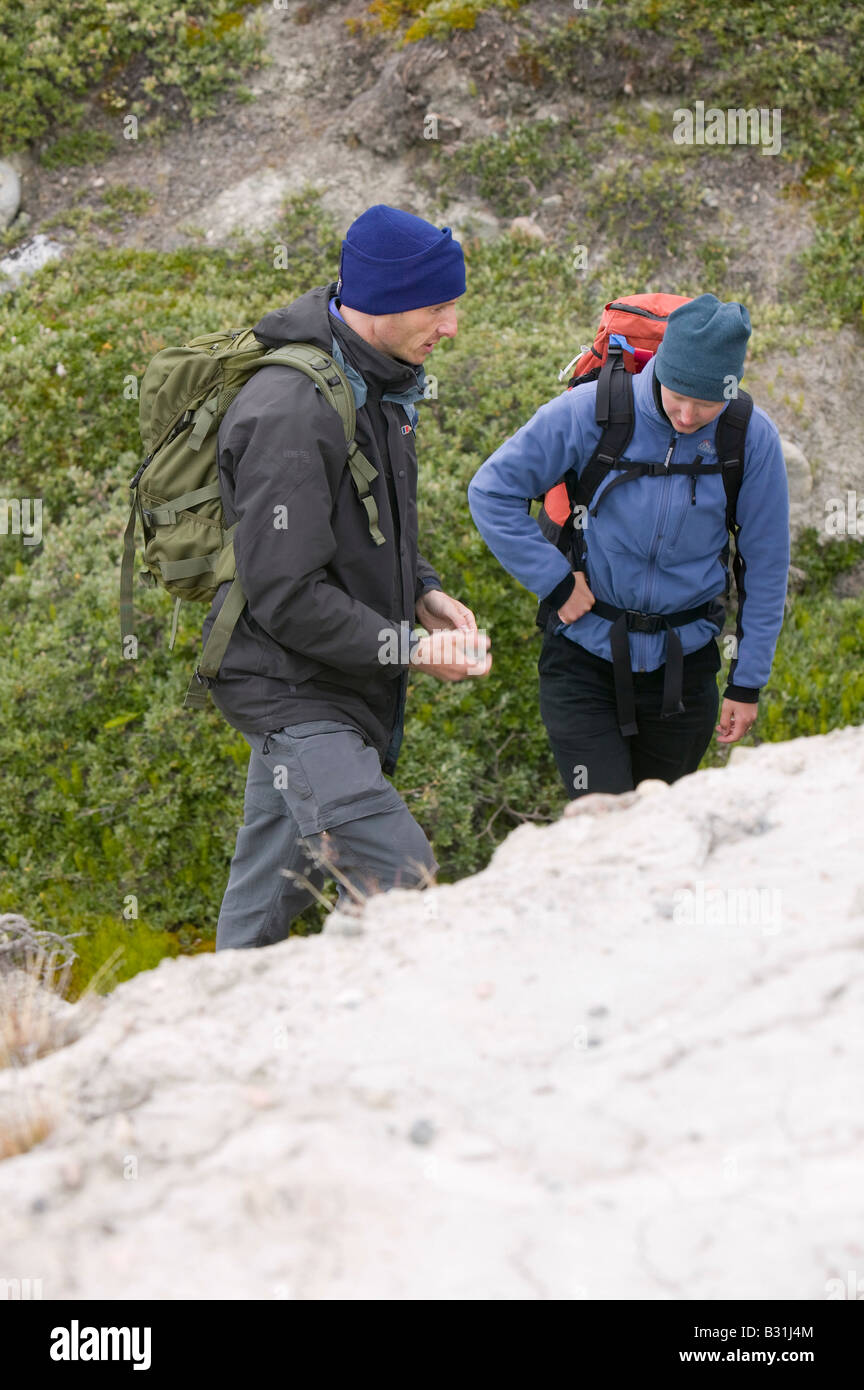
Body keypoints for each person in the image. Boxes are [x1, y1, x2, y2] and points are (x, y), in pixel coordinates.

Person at [209, 205, 490, 949]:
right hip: (293, 688)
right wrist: (409, 648)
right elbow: (285, 595)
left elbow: (366, 527)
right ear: (384, 301)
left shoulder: (377, 383)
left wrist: (424, 592)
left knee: (259, 917)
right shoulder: (293, 409)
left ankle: (206, 1042)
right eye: (438, 306)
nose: (452, 326)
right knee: (402, 879)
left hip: (330, 681)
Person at [468, 294, 789, 799]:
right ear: (660, 368)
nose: (686, 415)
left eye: (706, 404)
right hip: (582, 658)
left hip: (685, 671)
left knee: (659, 827)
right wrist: (554, 581)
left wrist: (746, 685)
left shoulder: (750, 439)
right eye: (677, 394)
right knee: (602, 820)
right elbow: (490, 491)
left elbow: (767, 565)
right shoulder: (589, 413)